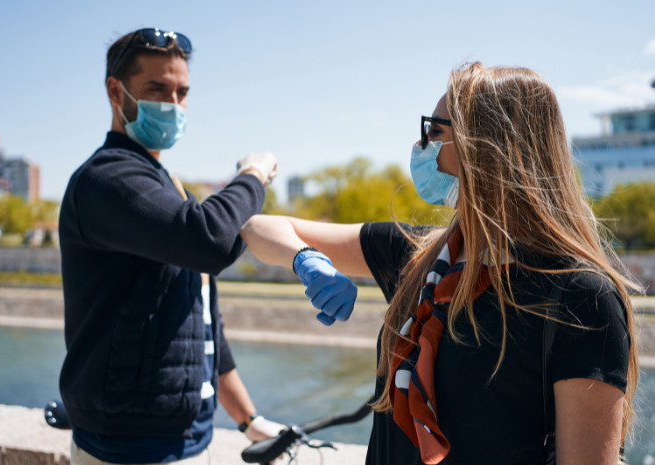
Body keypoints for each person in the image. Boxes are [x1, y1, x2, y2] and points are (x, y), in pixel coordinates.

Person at [240, 62, 640, 465]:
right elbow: (258, 228)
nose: (421, 146)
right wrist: (304, 259)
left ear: (488, 147)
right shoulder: (416, 255)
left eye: (435, 131)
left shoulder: (580, 295)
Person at [58, 28, 283, 465]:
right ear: (115, 91)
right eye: (157, 89)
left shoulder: (164, 188)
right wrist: (252, 176)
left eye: (182, 92)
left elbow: (201, 324)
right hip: (127, 447)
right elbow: (210, 241)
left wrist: (247, 419)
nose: (173, 104)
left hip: (187, 437)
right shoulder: (107, 180)